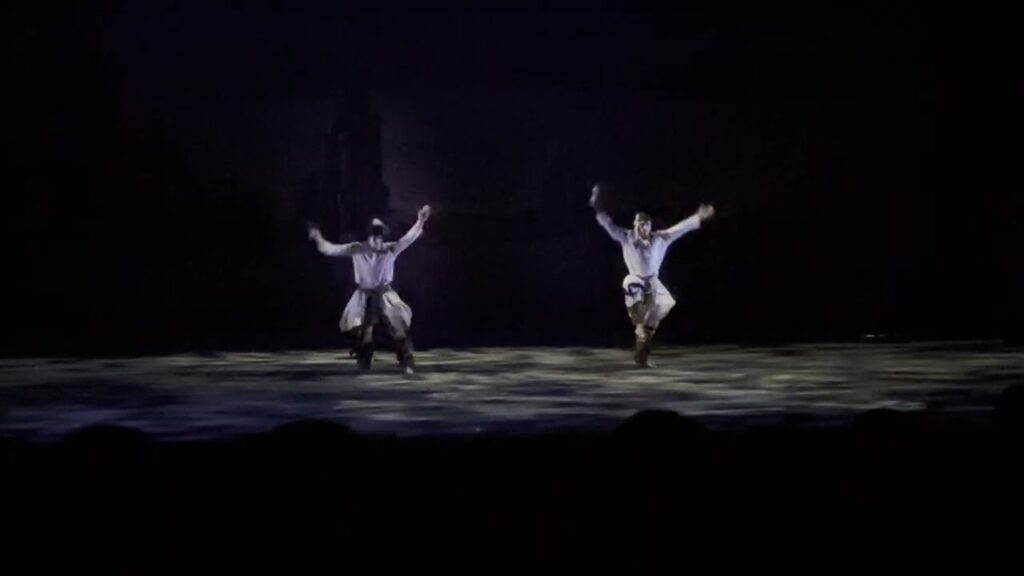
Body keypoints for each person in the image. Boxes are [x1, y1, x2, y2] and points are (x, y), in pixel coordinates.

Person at [589, 184, 714, 367]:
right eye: (639, 224)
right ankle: (640, 326)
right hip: (635, 280)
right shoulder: (626, 237)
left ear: (649, 226)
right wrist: (597, 206)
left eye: (645, 224)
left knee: (662, 310)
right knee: (632, 286)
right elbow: (608, 225)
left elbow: (680, 229)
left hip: (653, 283)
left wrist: (699, 216)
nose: (642, 227)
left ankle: (642, 353)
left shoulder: (660, 238)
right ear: (634, 225)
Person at [307, 205, 432, 373]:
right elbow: (330, 249)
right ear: (370, 235)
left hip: (385, 294)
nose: (377, 238)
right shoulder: (357, 248)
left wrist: (420, 221)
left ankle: (406, 362)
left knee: (398, 326)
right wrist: (318, 237)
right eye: (375, 233)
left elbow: (408, 238)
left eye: (380, 234)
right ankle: (364, 360)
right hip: (364, 294)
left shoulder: (390, 248)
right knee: (364, 330)